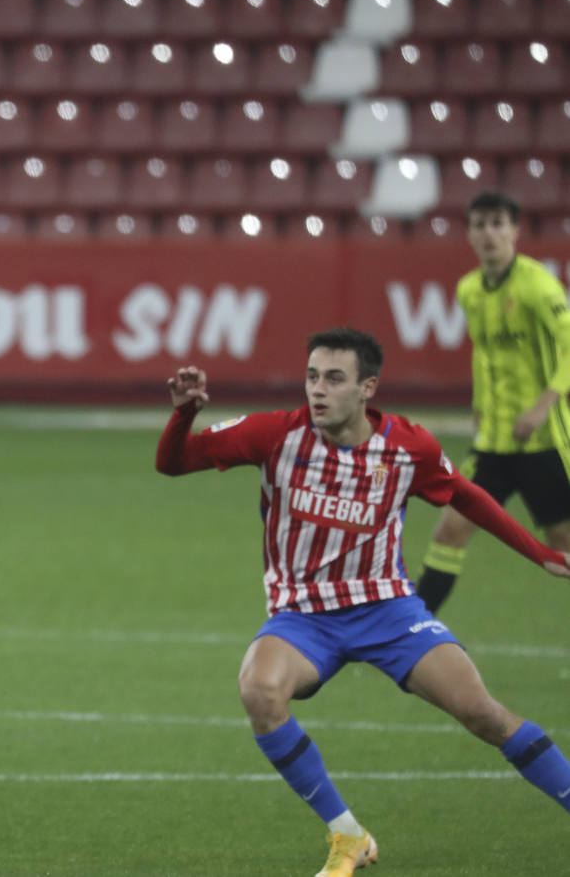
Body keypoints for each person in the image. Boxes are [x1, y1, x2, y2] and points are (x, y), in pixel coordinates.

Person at [155, 327, 570, 877]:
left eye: (333, 379)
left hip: (389, 612)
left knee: (483, 713)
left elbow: (468, 497)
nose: (317, 390)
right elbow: (172, 463)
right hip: (303, 617)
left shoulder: (407, 448)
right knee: (259, 690)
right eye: (311, 376)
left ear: (367, 387)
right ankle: (348, 836)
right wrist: (183, 414)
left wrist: (541, 553)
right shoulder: (274, 435)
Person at [415, 191, 570, 612]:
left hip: (545, 444)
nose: (490, 233)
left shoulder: (538, 285)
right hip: (493, 447)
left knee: (563, 547)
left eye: (499, 223)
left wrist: (542, 406)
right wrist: (480, 405)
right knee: (450, 530)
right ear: (469, 233)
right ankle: (407, 631)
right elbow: (484, 354)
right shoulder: (469, 290)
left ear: (515, 230)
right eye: (481, 224)